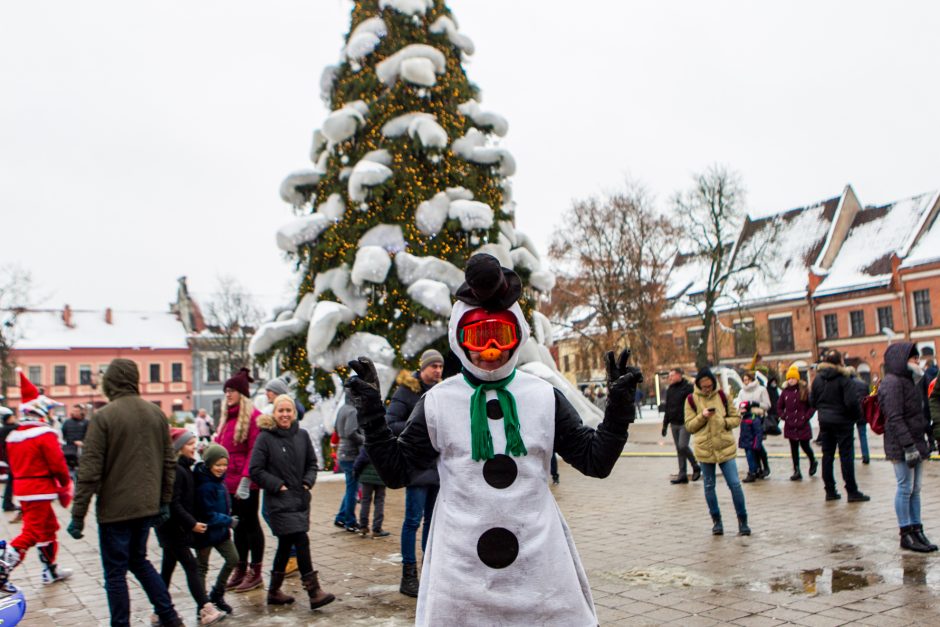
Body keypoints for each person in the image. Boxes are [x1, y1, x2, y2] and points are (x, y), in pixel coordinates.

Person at [345, 254, 641, 625]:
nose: (489, 351)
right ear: (459, 337)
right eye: (477, 336)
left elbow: (595, 461)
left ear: (517, 335)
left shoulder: (542, 396)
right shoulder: (438, 401)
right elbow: (396, 471)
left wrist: (618, 407)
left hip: (538, 570)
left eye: (499, 336)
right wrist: (372, 412)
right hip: (462, 574)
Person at [67, 358, 184, 627]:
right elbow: (169, 463)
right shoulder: (156, 414)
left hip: (115, 510)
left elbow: (89, 471)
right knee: (140, 561)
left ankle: (121, 624)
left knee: (115, 573)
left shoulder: (105, 417)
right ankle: (169, 616)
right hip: (147, 507)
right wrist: (164, 501)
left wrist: (78, 515)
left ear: (110, 381)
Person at [249, 395, 335, 610]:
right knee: (301, 539)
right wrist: (278, 485)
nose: (285, 414)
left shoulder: (302, 435)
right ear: (274, 413)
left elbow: (312, 464)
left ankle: (273, 591)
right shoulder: (265, 438)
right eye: (281, 411)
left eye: (289, 410)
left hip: (299, 500)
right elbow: (255, 470)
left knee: (286, 544)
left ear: (294, 413)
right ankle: (314, 591)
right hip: (278, 501)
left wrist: (307, 483)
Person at [384, 349, 444, 597]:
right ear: (423, 368)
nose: (438, 371)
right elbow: (390, 422)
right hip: (417, 466)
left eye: (441, 367)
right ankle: (408, 575)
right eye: (434, 367)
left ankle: (429, 570)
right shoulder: (406, 391)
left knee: (433, 521)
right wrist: (418, 428)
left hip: (438, 467)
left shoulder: (441, 392)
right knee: (412, 520)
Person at [0, 397, 73, 587]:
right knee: (31, 532)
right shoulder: (44, 434)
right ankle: (2, 567)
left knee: (49, 527)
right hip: (40, 489)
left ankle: (50, 570)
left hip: (23, 488)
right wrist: (65, 483)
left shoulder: (15, 435)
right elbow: (57, 463)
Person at [156, 429, 226, 625]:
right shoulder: (177, 471)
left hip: (174, 529)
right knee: (191, 566)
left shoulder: (184, 468)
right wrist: (192, 524)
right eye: (189, 444)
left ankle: (158, 610)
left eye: (194, 442)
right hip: (173, 529)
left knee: (167, 568)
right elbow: (174, 503)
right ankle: (205, 608)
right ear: (178, 448)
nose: (193, 446)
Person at [878, 343, 936, 552]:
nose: (917, 362)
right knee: (905, 488)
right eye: (913, 359)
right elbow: (894, 417)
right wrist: (908, 446)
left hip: (915, 441)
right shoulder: (892, 383)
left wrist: (928, 436)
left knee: (916, 489)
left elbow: (920, 412)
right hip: (900, 444)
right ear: (902, 360)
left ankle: (917, 529)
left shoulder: (912, 381)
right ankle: (905, 532)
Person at [214, 368, 264, 593]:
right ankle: (241, 568)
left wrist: (246, 479)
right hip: (227, 483)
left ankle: (256, 571)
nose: (228, 394)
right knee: (238, 528)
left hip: (246, 483)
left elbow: (255, 451)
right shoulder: (227, 417)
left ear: (242, 394)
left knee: (251, 525)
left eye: (232, 390)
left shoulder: (253, 417)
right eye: (226, 390)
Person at [685, 369, 749, 536]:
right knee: (709, 486)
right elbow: (689, 426)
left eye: (710, 385)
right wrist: (702, 416)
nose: (707, 389)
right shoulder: (691, 400)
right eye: (704, 386)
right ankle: (717, 522)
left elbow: (736, 419)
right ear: (698, 385)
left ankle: (743, 522)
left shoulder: (722, 396)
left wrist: (724, 422)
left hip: (725, 447)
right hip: (705, 449)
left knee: (735, 485)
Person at [810, 350, 869, 503]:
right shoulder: (844, 379)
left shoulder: (817, 379)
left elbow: (812, 401)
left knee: (827, 455)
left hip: (825, 422)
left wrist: (823, 410)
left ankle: (830, 490)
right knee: (846, 456)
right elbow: (851, 402)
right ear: (840, 362)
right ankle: (852, 490)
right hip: (843, 422)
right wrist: (856, 416)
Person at [193, 444, 241, 611]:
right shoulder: (204, 486)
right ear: (208, 464)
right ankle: (202, 603)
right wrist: (228, 521)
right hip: (206, 533)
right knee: (201, 568)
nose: (222, 468)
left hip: (221, 532)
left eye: (224, 464)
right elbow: (207, 514)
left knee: (233, 558)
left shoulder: (220, 481)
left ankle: (217, 593)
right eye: (218, 465)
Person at [659, 368, 700, 484]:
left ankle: (696, 466)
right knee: (679, 450)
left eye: (672, 375)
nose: (670, 378)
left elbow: (695, 402)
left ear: (679, 375)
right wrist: (665, 425)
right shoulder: (670, 390)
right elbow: (668, 408)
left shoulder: (687, 388)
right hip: (674, 424)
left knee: (682, 446)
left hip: (685, 423)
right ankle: (682, 474)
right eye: (669, 376)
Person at [777, 365, 817, 481]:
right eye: (789, 378)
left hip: (802, 424)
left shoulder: (804, 390)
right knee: (794, 448)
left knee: (805, 446)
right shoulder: (785, 392)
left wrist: (805, 417)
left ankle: (812, 461)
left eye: (793, 378)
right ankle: (797, 470)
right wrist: (785, 417)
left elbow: (812, 407)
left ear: (797, 379)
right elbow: (779, 407)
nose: (791, 380)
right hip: (790, 425)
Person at [333, 397, 363, 532]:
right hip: (351, 454)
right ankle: (350, 521)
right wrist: (364, 439)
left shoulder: (343, 408)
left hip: (343, 452)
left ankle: (341, 517)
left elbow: (338, 428)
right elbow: (350, 432)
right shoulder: (352, 410)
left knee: (350, 487)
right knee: (353, 489)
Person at [735, 371, 771, 481]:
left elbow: (767, 405)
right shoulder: (742, 392)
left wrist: (756, 404)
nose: (746, 382)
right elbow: (738, 405)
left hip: (757, 418)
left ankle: (763, 466)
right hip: (746, 419)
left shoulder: (761, 389)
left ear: (752, 379)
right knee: (749, 446)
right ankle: (755, 469)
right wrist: (742, 408)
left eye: (747, 380)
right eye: (744, 380)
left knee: (757, 445)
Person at [352, 445, 390, 538]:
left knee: (365, 501)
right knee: (379, 502)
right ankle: (377, 529)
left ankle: (363, 527)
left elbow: (360, 460)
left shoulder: (367, 443)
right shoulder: (386, 444)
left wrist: (356, 472)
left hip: (366, 477)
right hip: (381, 476)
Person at [846, 367, 871, 464]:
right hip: (862, 412)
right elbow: (867, 398)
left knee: (849, 436)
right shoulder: (863, 383)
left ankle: (850, 457)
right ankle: (866, 456)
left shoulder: (846, 384)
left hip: (850, 413)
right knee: (863, 435)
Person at [61, 404, 89, 482]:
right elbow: (64, 434)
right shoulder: (67, 422)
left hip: (83, 448)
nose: (75, 412)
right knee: (71, 468)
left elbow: (90, 435)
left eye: (77, 411)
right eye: (74, 411)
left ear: (81, 412)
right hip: (70, 449)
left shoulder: (86, 422)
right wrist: (73, 441)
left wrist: (83, 442)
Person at [0, 406, 19, 516]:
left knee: (11, 481)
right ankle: (7, 503)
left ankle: (7, 503)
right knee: (11, 481)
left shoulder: (3, 428)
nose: (14, 418)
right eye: (12, 417)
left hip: (8, 457)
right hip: (11, 457)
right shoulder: (9, 428)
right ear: (8, 419)